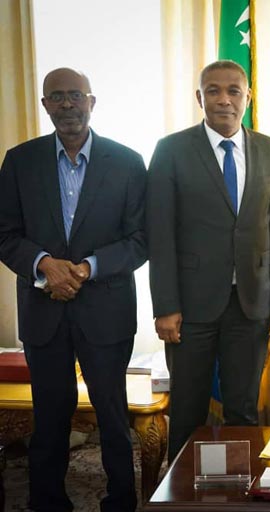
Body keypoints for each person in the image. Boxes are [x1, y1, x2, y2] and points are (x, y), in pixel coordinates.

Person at [0, 68, 146, 511]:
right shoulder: (19, 161)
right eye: (57, 97)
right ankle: (48, 502)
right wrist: (45, 266)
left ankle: (121, 501)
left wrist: (85, 269)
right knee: (49, 417)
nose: (67, 104)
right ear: (45, 105)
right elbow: (5, 234)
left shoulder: (127, 162)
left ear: (92, 102)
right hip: (43, 312)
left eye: (76, 96)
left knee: (113, 416)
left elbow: (140, 240)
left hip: (106, 310)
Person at [146, 60, 270, 463]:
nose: (224, 99)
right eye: (213, 90)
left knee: (243, 410)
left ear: (248, 97)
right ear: (200, 98)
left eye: (234, 90)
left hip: (251, 305)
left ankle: (239, 489)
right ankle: (180, 491)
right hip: (189, 308)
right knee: (187, 410)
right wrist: (165, 306)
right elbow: (160, 235)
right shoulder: (171, 150)